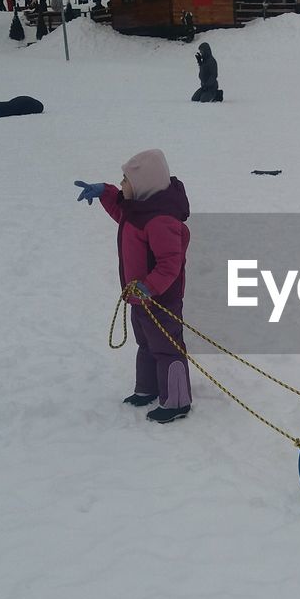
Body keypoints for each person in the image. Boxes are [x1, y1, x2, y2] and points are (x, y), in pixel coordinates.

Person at [74, 150, 192, 423]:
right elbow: (120, 210)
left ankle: (176, 400)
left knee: (167, 347)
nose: (123, 184)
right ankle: (148, 388)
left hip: (161, 300)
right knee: (146, 343)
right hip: (139, 298)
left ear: (143, 185)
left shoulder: (161, 221)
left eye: (126, 179)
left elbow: (169, 264)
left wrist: (150, 287)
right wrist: (105, 192)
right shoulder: (137, 209)